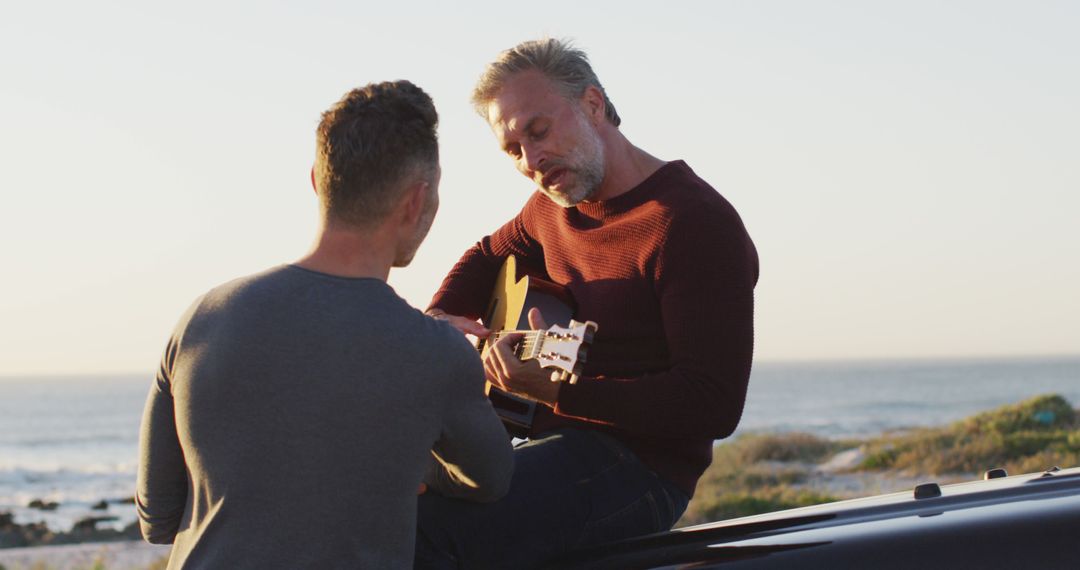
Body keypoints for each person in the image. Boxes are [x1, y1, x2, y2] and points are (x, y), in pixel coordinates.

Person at [136, 81, 513, 569]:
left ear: (317, 180)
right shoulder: (434, 351)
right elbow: (490, 481)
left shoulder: (203, 316)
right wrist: (402, 456)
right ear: (416, 202)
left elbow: (158, 518)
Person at [416, 39, 759, 569]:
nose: (531, 160)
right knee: (380, 497)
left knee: (427, 531)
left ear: (593, 106)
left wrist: (558, 393)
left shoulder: (694, 222)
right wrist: (441, 316)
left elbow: (712, 404)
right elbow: (486, 255)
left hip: (641, 469)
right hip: (544, 441)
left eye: (539, 130)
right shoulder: (549, 206)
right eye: (513, 150)